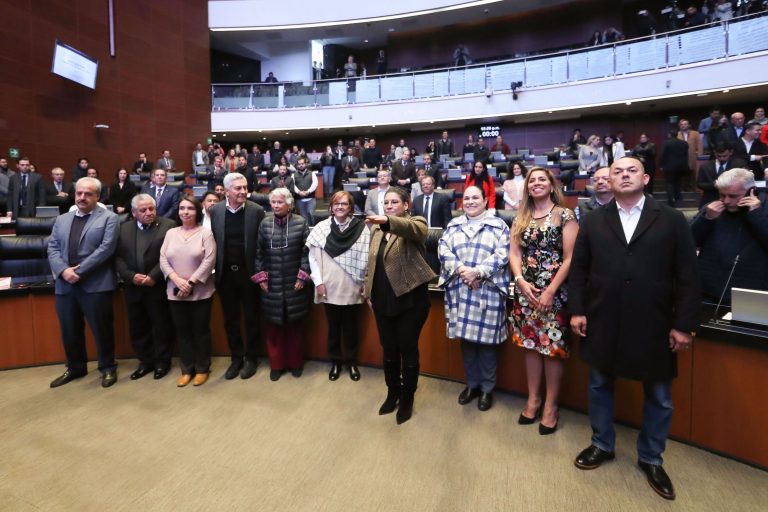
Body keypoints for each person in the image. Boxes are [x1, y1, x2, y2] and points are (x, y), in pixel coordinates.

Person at [569, 157, 700, 501]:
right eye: (617, 171)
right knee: (599, 385)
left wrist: (684, 325)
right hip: (603, 318)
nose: (624, 175)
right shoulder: (593, 220)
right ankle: (602, 444)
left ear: (645, 178)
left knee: (659, 397)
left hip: (654, 321)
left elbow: (688, 274)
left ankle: (651, 458)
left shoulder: (672, 219)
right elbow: (579, 269)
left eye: (631, 171)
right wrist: (578, 310)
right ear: (608, 180)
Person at [510, 167, 578, 435]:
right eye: (532, 180)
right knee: (530, 346)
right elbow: (515, 254)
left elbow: (571, 258)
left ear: (551, 185)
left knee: (552, 349)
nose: (536, 183)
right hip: (526, 292)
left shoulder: (565, 214)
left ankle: (550, 406)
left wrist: (550, 291)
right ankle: (533, 399)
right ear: (527, 187)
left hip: (555, 295)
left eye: (542, 179)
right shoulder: (521, 216)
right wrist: (519, 280)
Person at [364, 187, 436, 425]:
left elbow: (413, 230)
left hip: (410, 300)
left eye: (394, 202)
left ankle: (407, 397)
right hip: (382, 299)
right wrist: (368, 291)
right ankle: (393, 391)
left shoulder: (416, 223)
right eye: (386, 202)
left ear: (406, 205)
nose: (389, 205)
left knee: (407, 347)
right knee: (389, 349)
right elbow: (372, 261)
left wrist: (387, 221)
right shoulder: (376, 229)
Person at [438, 185, 511, 411]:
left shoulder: (499, 225)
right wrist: (462, 270)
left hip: (487, 290)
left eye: (475, 197)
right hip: (460, 288)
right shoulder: (454, 224)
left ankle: (487, 389)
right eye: (467, 198)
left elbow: (503, 254)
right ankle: (472, 385)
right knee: (467, 342)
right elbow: (443, 249)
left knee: (487, 344)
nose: (470, 201)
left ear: (485, 200)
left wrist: (477, 272)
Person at [48, 177, 120, 388]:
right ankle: (75, 367)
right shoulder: (62, 219)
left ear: (97, 196)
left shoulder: (109, 218)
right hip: (65, 284)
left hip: (96, 284)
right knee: (69, 329)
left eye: (88, 194)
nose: (82, 197)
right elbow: (52, 247)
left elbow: (106, 249)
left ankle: (107, 367)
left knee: (102, 329)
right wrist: (64, 271)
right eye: (79, 193)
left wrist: (78, 272)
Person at [306, 191, 371, 381]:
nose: (340, 207)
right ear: (331, 207)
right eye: (336, 204)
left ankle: (351, 362)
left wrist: (365, 282)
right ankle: (336, 362)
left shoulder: (361, 228)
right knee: (333, 329)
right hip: (329, 286)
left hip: (352, 285)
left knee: (351, 328)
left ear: (351, 207)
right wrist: (318, 282)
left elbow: (368, 257)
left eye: (344, 204)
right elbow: (313, 258)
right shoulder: (321, 228)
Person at [209, 172, 266, 380]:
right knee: (230, 320)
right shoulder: (215, 211)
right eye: (238, 188)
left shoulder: (256, 210)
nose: (243, 191)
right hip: (225, 275)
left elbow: (261, 245)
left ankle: (252, 357)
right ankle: (236, 358)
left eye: (245, 187)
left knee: (252, 318)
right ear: (226, 191)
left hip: (249, 274)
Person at [115, 194, 176, 380]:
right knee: (138, 327)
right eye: (143, 210)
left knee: (161, 325)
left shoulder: (168, 226)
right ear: (134, 213)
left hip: (157, 286)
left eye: (152, 209)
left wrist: (153, 276)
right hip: (133, 287)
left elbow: (171, 255)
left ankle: (162, 361)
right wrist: (130, 276)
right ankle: (145, 361)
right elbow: (118, 257)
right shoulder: (123, 228)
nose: (149, 213)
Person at [254, 188, 311, 381]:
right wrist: (261, 277)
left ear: (289, 204)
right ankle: (276, 365)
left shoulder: (301, 222)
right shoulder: (265, 223)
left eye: (280, 202)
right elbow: (258, 253)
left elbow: (307, 253)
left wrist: (302, 276)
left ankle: (296, 364)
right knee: (274, 328)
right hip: (272, 284)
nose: (276, 206)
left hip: (295, 284)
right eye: (273, 202)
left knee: (295, 327)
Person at [159, 195, 216, 387]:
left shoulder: (205, 234)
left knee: (200, 331)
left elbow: (209, 260)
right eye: (182, 208)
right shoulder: (171, 233)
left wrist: (190, 283)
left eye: (190, 208)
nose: (185, 212)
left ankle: (202, 368)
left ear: (197, 211)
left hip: (200, 291)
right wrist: (176, 279)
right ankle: (187, 369)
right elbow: (163, 259)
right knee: (182, 332)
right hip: (174, 291)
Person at [691, 168, 768, 304]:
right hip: (709, 289)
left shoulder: (763, 210)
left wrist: (757, 214)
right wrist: (706, 219)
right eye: (722, 195)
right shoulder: (711, 209)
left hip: (751, 292)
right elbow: (689, 241)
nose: (726, 201)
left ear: (752, 191)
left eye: (733, 196)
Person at [696, 142, 747, 206]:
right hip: (710, 200)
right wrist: (715, 185)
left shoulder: (739, 165)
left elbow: (745, 182)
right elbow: (699, 184)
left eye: (724, 156)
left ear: (731, 152)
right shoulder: (705, 166)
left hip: (733, 202)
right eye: (719, 156)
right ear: (715, 153)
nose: (722, 158)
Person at [660, 128, 690, 206]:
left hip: (669, 166)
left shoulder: (666, 143)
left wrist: (661, 164)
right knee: (678, 181)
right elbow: (686, 155)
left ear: (669, 135)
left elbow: (663, 154)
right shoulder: (684, 143)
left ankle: (671, 199)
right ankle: (678, 197)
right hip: (681, 166)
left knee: (669, 183)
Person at [292, 156, 317, 226]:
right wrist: (299, 192)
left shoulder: (312, 173)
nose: (301, 165)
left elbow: (315, 184)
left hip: (311, 199)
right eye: (299, 164)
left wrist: (308, 192)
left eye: (302, 164)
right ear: (297, 165)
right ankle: (306, 231)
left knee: (311, 216)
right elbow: (293, 185)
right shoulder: (293, 175)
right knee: (303, 218)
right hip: (299, 200)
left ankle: (312, 229)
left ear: (305, 164)